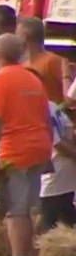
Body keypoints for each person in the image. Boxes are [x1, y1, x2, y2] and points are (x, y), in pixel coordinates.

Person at [0, 33, 52, 256]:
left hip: (14, 150)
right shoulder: (33, 79)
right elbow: (46, 117)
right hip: (39, 147)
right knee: (28, 206)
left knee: (16, 209)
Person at [38, 100, 76, 234]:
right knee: (51, 223)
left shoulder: (50, 106)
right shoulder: (45, 107)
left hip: (62, 176)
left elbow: (61, 139)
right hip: (57, 175)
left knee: (62, 223)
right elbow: (57, 142)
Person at [19, 17, 65, 103]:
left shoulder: (52, 61)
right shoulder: (22, 64)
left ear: (24, 36)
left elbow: (71, 92)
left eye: (17, 33)